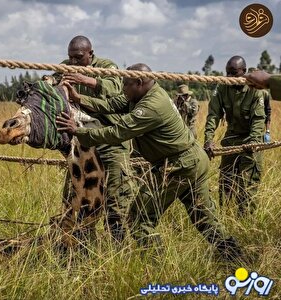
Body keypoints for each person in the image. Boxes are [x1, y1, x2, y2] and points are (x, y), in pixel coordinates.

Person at [56, 63, 243, 261]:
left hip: (178, 165)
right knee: (204, 218)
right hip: (192, 161)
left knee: (139, 218)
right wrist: (79, 99)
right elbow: (112, 105)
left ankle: (156, 265)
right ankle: (235, 257)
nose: (123, 89)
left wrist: (78, 132)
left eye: (126, 84)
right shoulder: (141, 94)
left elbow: (118, 132)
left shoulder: (152, 105)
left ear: (139, 82)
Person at [50, 35, 134, 243]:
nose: (74, 63)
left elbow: (117, 87)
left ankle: (119, 248)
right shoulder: (65, 67)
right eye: (71, 58)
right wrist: (54, 84)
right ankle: (81, 247)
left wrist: (83, 79)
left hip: (111, 140)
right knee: (75, 197)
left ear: (90, 54)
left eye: (79, 57)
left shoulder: (106, 66)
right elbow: (51, 84)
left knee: (116, 199)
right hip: (82, 142)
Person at [204, 56, 265, 215]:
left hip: (251, 139)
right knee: (226, 181)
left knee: (248, 184)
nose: (229, 77)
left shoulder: (255, 89)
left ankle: (245, 221)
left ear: (244, 72)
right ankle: (225, 217)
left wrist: (253, 143)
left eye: (234, 73)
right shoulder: (222, 87)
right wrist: (209, 139)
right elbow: (213, 115)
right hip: (231, 138)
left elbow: (258, 120)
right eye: (227, 73)